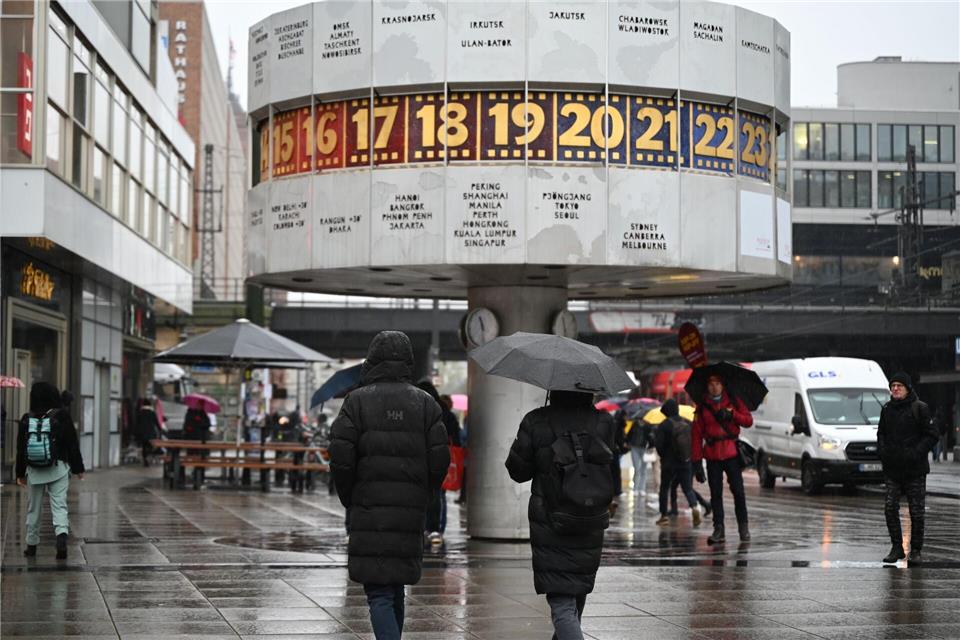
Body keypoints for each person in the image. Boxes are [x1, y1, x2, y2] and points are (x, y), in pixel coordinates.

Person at [330, 331, 449, 640]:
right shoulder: (425, 404)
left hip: (369, 508)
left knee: (379, 592)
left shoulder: (356, 402)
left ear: (372, 360)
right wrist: (423, 496)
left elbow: (341, 458)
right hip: (409, 511)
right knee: (394, 587)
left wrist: (351, 498)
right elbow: (440, 461)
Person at [506, 390, 619, 640]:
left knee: (562, 603)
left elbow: (518, 470)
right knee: (575, 596)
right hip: (590, 517)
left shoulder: (535, 420)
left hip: (551, 519)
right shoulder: (604, 422)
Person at [15, 382, 85, 560]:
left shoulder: (26, 418)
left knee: (34, 508)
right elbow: (72, 444)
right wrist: (78, 468)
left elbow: (21, 450)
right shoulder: (62, 416)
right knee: (59, 505)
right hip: (58, 468)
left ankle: (31, 546)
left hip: (34, 470)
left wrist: (20, 474)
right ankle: (61, 539)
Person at [877, 372, 939, 565]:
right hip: (893, 469)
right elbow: (881, 434)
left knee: (916, 511)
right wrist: (884, 452)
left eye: (899, 386)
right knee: (889, 508)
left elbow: (932, 435)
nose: (895, 389)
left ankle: (916, 550)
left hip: (915, 470)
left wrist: (916, 452)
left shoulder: (919, 408)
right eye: (893, 386)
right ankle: (897, 547)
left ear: (907, 388)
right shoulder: (887, 409)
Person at [692, 374, 754, 544]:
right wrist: (696, 462)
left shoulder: (734, 401)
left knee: (738, 492)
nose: (714, 387)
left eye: (717, 383)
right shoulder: (702, 406)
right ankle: (718, 528)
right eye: (711, 384)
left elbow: (748, 421)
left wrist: (732, 415)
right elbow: (696, 435)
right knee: (715, 494)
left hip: (731, 454)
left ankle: (744, 527)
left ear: (723, 385)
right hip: (712, 455)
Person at [653, 399, 702, 527]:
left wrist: (664, 456)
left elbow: (659, 445)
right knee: (687, 488)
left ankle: (664, 516)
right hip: (685, 461)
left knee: (664, 488)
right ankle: (694, 507)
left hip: (669, 463)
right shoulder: (687, 423)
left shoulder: (664, 425)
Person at [626, 410, 653, 495]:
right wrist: (627, 442)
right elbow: (629, 435)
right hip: (635, 448)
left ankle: (642, 489)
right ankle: (635, 489)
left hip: (644, 448)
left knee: (643, 469)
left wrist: (651, 446)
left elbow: (651, 437)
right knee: (637, 468)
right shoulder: (635, 425)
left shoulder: (648, 426)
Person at [135, 398, 162, 467]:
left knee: (144, 446)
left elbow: (137, 423)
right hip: (150, 433)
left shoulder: (140, 413)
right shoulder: (152, 413)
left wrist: (136, 432)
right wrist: (160, 429)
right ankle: (148, 457)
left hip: (142, 433)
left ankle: (145, 459)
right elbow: (156, 422)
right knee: (150, 445)